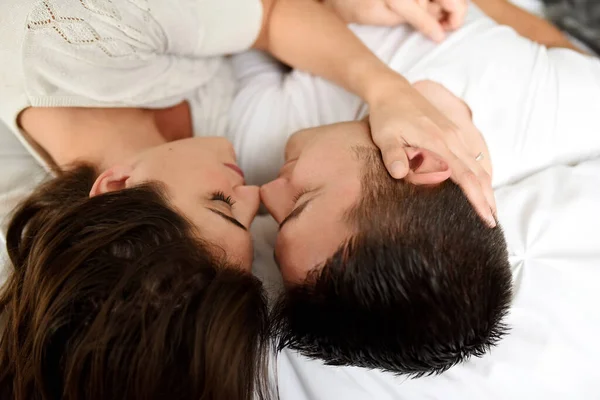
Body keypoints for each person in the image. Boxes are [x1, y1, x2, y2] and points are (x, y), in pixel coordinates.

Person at [0, 0, 488, 398]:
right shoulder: (179, 174)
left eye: (220, 203)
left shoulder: (73, 29)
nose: (255, 194)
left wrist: (389, 91)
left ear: (114, 187)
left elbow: (271, 14)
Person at [227, 0, 600, 376]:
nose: (265, 195)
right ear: (418, 161)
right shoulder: (563, 111)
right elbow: (559, 48)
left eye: (274, 227)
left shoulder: (264, 141)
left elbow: (240, 18)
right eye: (301, 202)